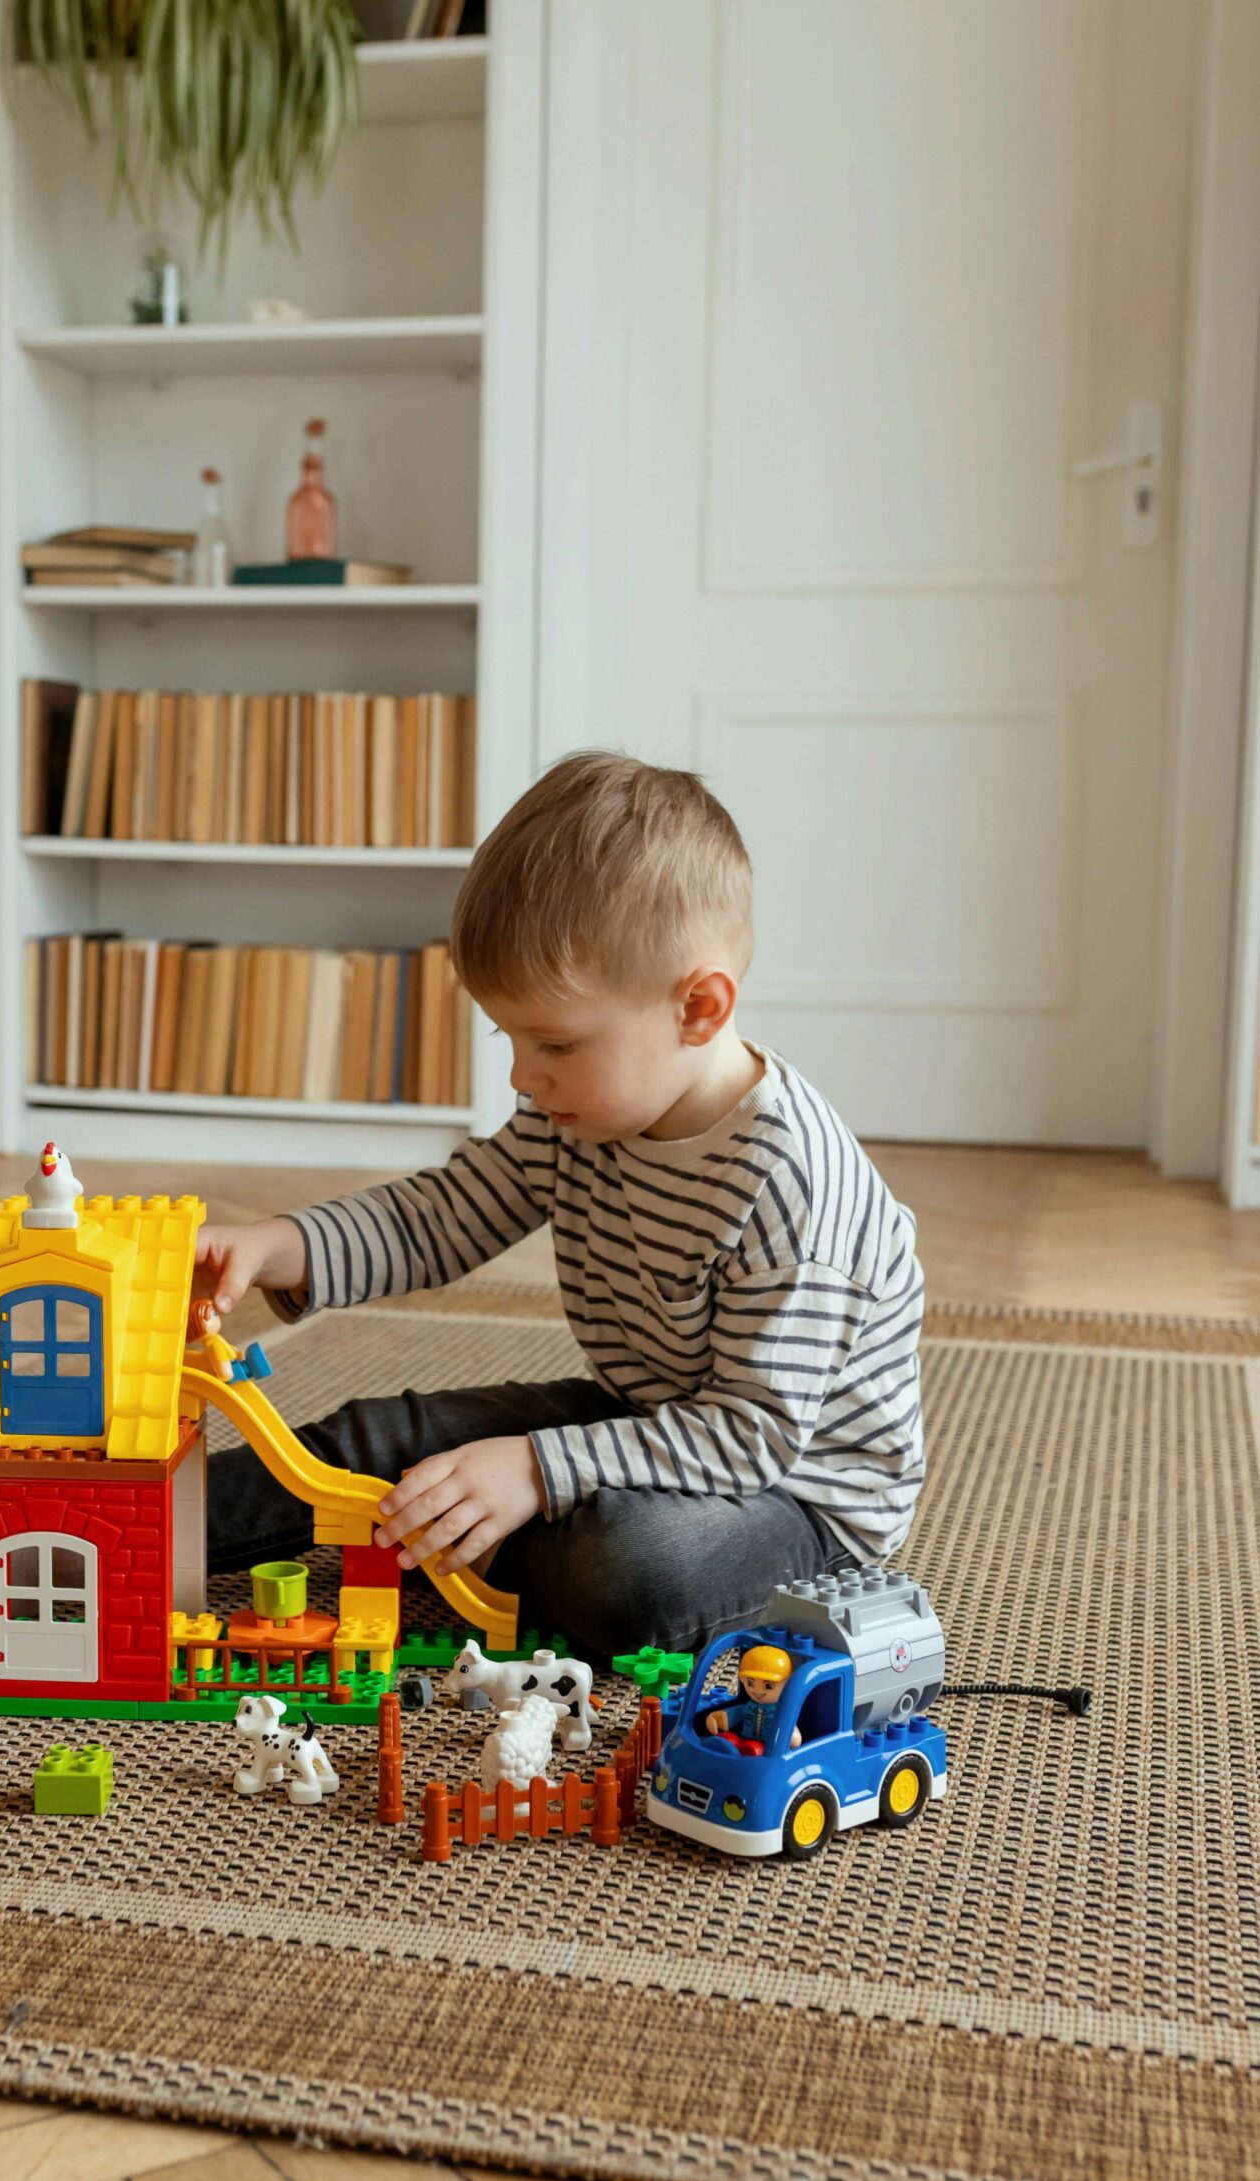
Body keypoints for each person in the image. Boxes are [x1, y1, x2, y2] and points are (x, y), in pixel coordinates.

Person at [190, 750, 926, 1662]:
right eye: (510, 1037)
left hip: (793, 1495)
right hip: (645, 1418)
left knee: (626, 1570)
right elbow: (442, 1215)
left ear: (697, 1008)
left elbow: (749, 1437)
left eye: (554, 1043)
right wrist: (278, 1245)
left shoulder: (793, 1196)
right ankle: (140, 1526)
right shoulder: (571, 1111)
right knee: (377, 1436)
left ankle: (464, 1530)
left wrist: (535, 1469)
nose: (520, 1076)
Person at [705, 1644, 800, 1752]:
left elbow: (793, 1734)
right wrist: (720, 1718)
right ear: (743, 1680)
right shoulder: (749, 1706)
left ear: (787, 1684)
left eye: (768, 1686)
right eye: (750, 1683)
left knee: (754, 1750)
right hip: (744, 1741)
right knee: (728, 1741)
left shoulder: (781, 1712)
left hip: (769, 1750)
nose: (757, 1690)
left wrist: (792, 1736)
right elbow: (737, 1713)